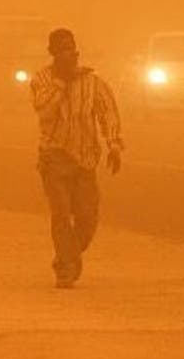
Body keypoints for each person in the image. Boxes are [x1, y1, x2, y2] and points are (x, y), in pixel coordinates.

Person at [30, 28, 123, 288]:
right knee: (60, 215)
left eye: (70, 49)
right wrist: (62, 82)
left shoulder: (92, 82)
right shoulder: (42, 79)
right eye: (61, 50)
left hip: (85, 160)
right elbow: (44, 112)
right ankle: (66, 269)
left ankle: (67, 257)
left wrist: (114, 145)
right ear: (51, 53)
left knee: (87, 217)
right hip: (54, 157)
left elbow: (108, 113)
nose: (67, 54)